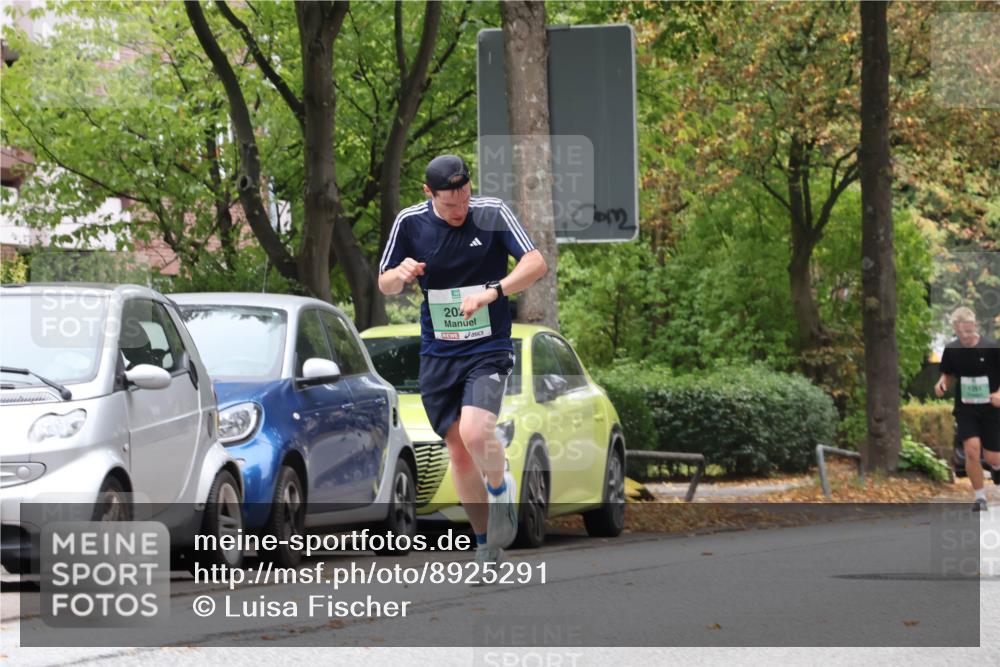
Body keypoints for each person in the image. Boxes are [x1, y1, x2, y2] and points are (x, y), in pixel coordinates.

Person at [378, 155, 547, 571]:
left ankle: (500, 486)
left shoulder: (491, 213)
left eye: (465, 198)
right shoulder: (410, 223)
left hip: (488, 347)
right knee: (458, 450)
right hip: (439, 352)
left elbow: (535, 263)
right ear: (429, 193)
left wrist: (493, 292)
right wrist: (401, 274)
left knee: (475, 431)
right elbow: (384, 284)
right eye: (450, 204)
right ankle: (486, 544)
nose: (459, 210)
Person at [935, 307, 1000, 512]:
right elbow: (947, 374)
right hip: (966, 408)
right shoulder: (952, 350)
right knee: (971, 451)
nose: (965, 336)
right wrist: (941, 384)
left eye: (969, 331)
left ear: (974, 326)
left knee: (992, 458)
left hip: (991, 409)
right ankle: (980, 498)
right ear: (955, 329)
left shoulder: (991, 347)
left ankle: (997, 468)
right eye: (961, 332)